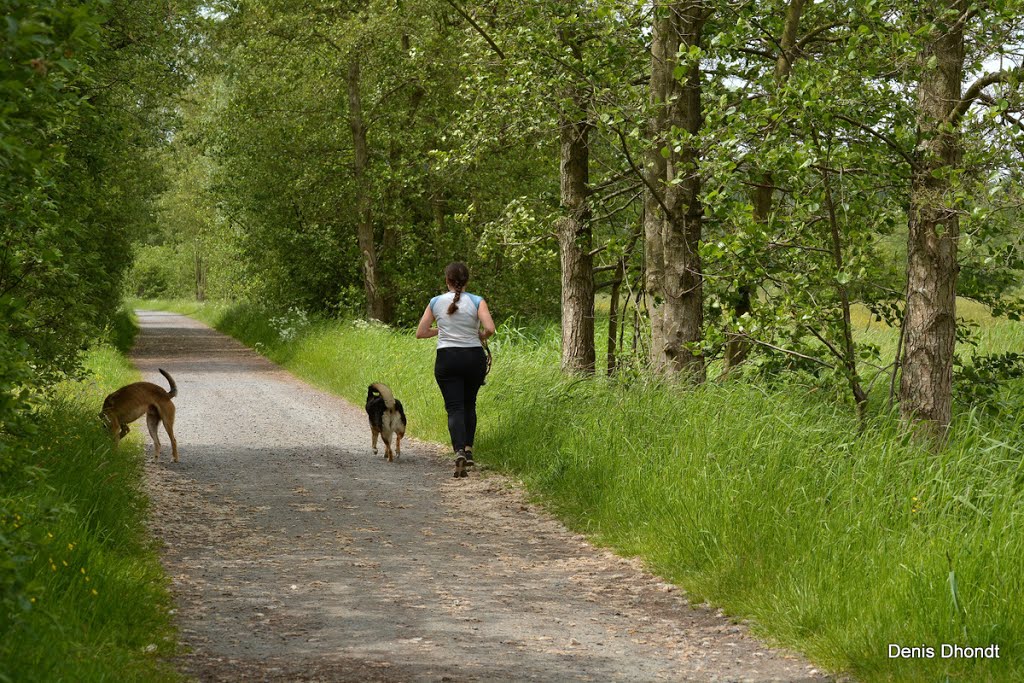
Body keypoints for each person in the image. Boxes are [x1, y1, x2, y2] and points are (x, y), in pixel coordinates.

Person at [416, 261, 496, 478]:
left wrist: (441, 330)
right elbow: (490, 328)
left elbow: (421, 332)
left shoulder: (435, 302)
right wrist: (480, 336)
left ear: (447, 280)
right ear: (467, 281)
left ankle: (458, 450)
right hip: (473, 358)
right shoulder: (477, 301)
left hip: (447, 358)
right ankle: (469, 451)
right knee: (469, 403)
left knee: (454, 408)